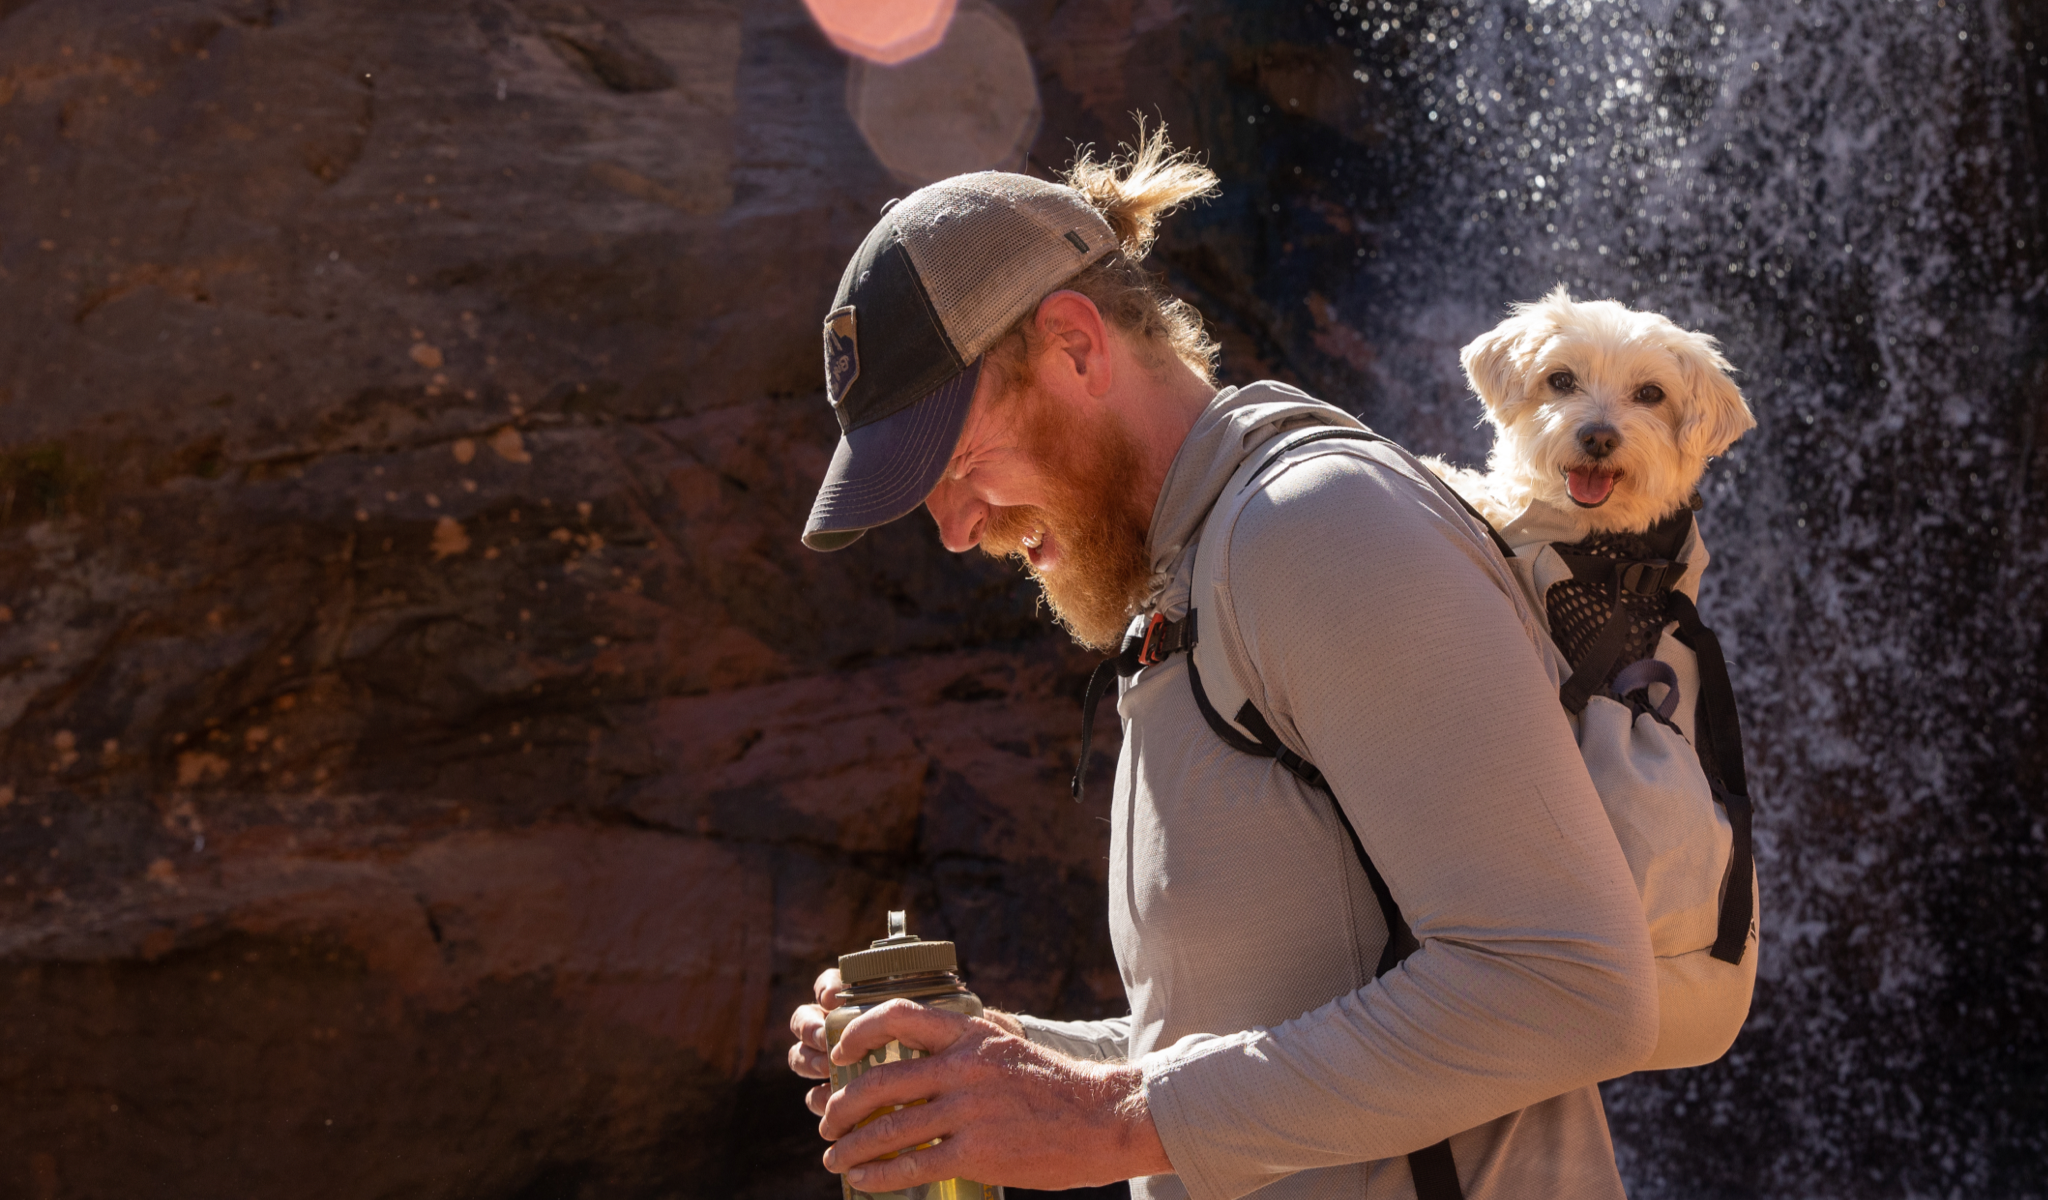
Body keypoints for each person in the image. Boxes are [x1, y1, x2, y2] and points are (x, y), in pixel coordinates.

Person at [786, 127, 1658, 1200]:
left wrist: (1107, 1120)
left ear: (1073, 346)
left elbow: (1565, 981)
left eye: (957, 463)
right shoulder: (1192, 580)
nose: (957, 531)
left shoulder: (1315, 525)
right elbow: (1251, 1044)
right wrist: (1010, 1072)